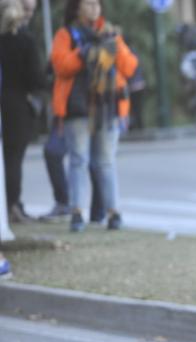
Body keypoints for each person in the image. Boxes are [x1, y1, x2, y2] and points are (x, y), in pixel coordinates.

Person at [50, 0, 137, 233]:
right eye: (88, 4)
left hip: (107, 108)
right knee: (78, 160)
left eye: (96, 4)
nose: (94, 9)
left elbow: (129, 67)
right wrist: (83, 52)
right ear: (76, 8)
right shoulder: (66, 35)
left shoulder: (109, 34)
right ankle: (77, 212)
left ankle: (113, 212)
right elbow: (60, 66)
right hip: (77, 108)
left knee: (106, 162)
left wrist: (113, 45)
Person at [0, 0, 45, 223]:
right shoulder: (25, 40)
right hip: (17, 106)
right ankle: (11, 205)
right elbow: (35, 78)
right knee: (14, 159)